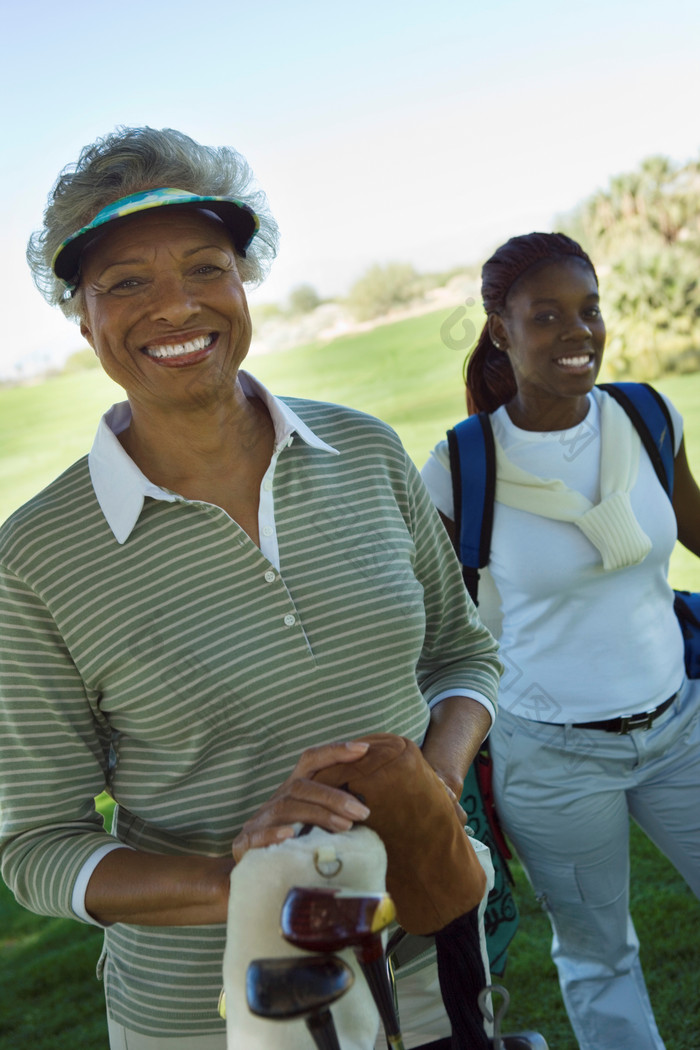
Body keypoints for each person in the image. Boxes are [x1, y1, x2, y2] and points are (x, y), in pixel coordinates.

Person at [0, 126, 501, 1050]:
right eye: (126, 283)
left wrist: (431, 783)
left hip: (431, 962)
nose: (175, 305)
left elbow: (463, 652)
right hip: (212, 1013)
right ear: (80, 315)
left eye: (206, 266)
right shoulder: (33, 558)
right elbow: (37, 848)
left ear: (244, 278)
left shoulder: (366, 450)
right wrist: (246, 884)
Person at [420, 231, 700, 1050]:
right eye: (547, 316)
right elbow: (435, 622)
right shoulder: (464, 465)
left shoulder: (647, 416)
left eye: (589, 309)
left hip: (681, 728)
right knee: (598, 954)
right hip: (551, 757)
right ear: (500, 330)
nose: (578, 332)